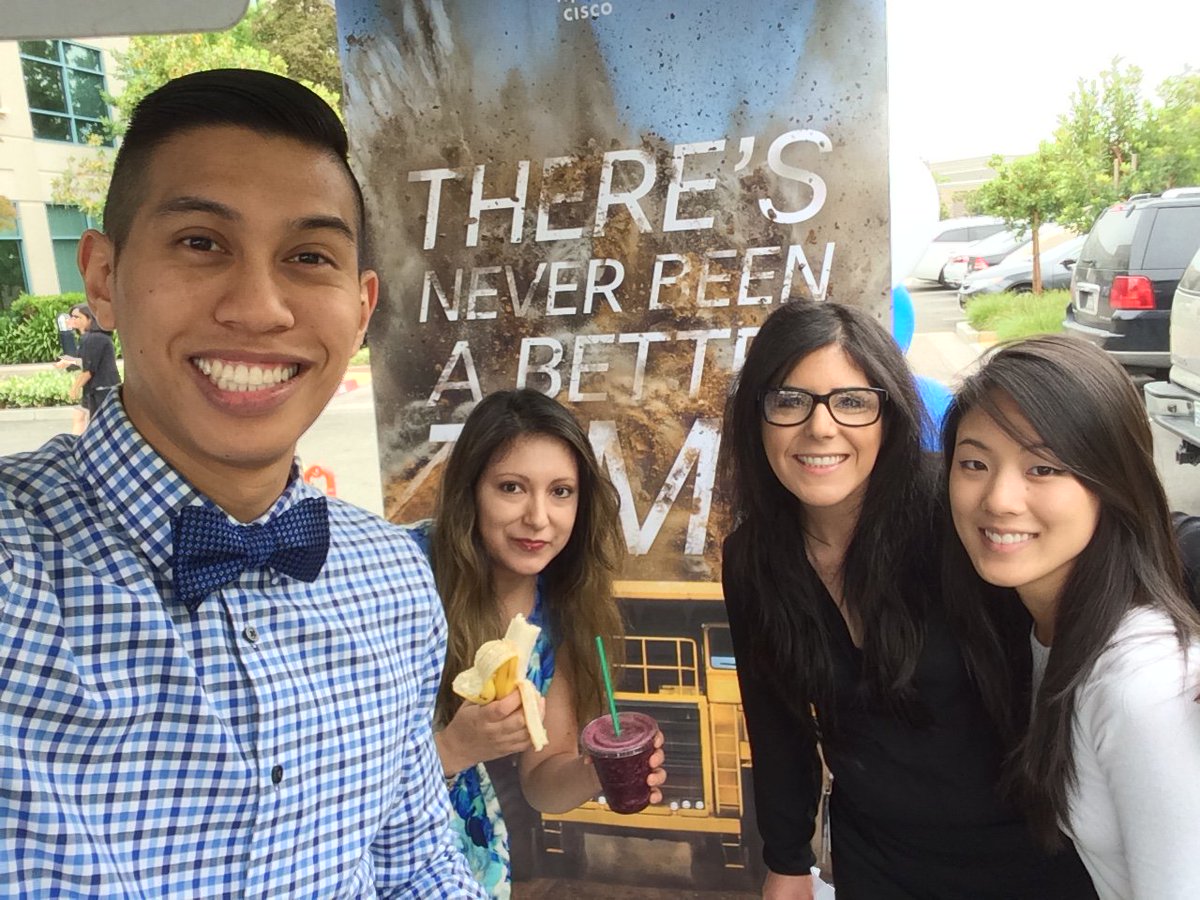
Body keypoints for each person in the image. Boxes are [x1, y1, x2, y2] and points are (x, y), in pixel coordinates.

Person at [0, 69, 483, 897]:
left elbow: (417, 869)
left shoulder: (397, 580)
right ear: (104, 277)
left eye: (308, 257)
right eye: (201, 242)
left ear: (362, 309)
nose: (260, 308)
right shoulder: (18, 577)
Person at [720, 300, 1096, 899]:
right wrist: (787, 860)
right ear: (755, 416)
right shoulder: (752, 559)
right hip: (878, 861)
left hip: (1028, 853)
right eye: (789, 400)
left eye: (851, 401)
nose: (820, 427)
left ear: (888, 414)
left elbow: (1146, 539)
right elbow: (778, 727)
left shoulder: (955, 505)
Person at [941, 335, 1200, 900]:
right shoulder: (1043, 630)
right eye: (975, 462)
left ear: (1112, 482)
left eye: (1044, 468)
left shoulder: (1143, 685)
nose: (1000, 499)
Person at [407, 389, 666, 898]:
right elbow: (332, 768)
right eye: (512, 487)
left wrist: (598, 770)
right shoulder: (404, 573)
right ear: (471, 491)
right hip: (375, 855)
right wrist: (453, 749)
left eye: (561, 492)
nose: (539, 518)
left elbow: (542, 780)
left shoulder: (560, 606)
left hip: (470, 864)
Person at [54, 303, 120, 433]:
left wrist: (74, 388)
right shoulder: (90, 338)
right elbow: (84, 360)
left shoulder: (93, 338)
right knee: (79, 417)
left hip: (101, 389)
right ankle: (76, 444)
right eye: (72, 317)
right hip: (96, 389)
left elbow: (89, 370)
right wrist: (68, 361)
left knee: (99, 424)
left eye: (77, 317)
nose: (73, 320)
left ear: (89, 319)